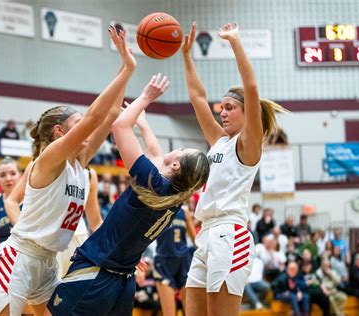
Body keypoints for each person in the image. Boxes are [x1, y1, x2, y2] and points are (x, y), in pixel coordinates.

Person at [0, 26, 135, 316]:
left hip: (48, 260)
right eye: (76, 125)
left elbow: (111, 114)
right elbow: (94, 117)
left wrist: (125, 64)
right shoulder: (50, 158)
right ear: (59, 132)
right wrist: (127, 69)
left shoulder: (81, 163)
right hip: (20, 257)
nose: (86, 130)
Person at [47, 74, 210, 316]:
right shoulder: (174, 197)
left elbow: (120, 126)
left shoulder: (152, 182)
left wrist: (146, 97)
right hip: (123, 281)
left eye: (183, 150)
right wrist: (143, 124)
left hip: (96, 271)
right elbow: (156, 154)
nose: (176, 149)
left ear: (176, 166)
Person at [181, 22, 287, 316]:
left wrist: (235, 42)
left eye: (230, 107)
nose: (223, 112)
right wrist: (187, 56)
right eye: (222, 108)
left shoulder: (249, 143)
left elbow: (251, 89)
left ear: (245, 112)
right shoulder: (219, 142)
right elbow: (198, 98)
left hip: (230, 234)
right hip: (205, 235)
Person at [153, 206, 196, 316]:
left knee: (190, 312)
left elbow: (195, 240)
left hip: (183, 261)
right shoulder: (156, 208)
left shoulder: (184, 211)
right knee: (169, 313)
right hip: (163, 262)